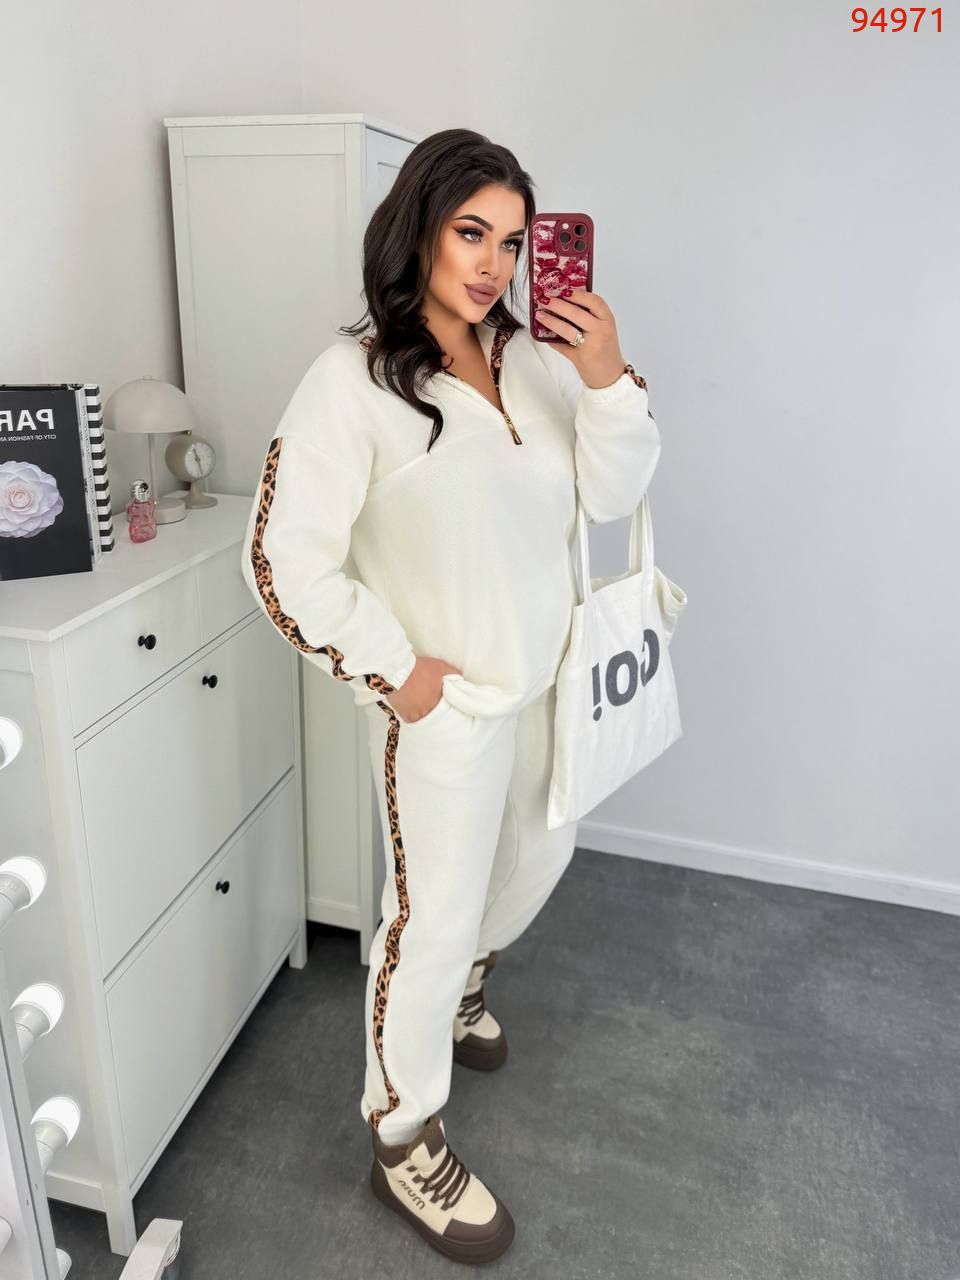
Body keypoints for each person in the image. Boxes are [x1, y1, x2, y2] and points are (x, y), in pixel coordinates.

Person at [239, 127, 662, 1265]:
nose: (493, 263)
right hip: (447, 709)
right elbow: (280, 560)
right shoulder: (351, 381)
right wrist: (401, 674)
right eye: (472, 231)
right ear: (419, 225)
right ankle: (402, 1132)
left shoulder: (533, 359)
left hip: (547, 680)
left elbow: (612, 493)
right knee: (424, 924)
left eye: (513, 242)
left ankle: (471, 977)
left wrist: (606, 376)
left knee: (539, 856)